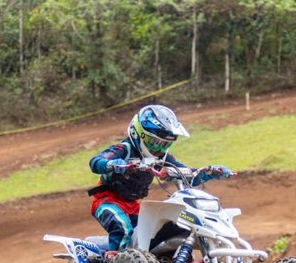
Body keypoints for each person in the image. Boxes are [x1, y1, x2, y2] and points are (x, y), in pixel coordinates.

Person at [88, 104, 231, 251]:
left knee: (152, 233)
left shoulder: (162, 158)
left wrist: (209, 173)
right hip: (107, 201)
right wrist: (112, 164)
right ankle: (114, 262)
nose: (159, 149)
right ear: (138, 133)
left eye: (164, 144)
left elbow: (186, 174)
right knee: (123, 229)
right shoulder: (125, 149)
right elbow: (95, 162)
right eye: (155, 142)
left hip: (133, 206)